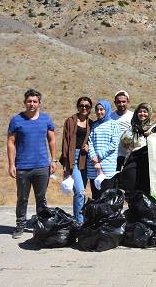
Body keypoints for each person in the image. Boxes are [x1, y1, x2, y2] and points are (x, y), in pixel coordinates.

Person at [7, 89, 57, 239]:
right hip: (22, 166)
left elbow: (52, 140)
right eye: (29, 101)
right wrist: (11, 164)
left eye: (35, 101)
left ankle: (42, 226)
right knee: (22, 198)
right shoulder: (16, 120)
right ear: (24, 102)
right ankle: (20, 225)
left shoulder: (46, 119)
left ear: (39, 103)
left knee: (41, 199)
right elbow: (10, 142)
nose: (32, 104)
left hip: (42, 166)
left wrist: (53, 160)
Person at [59, 96, 93, 225]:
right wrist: (66, 165)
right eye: (82, 106)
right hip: (73, 158)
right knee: (79, 191)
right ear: (77, 107)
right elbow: (65, 143)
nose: (84, 108)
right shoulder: (70, 121)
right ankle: (79, 222)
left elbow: (93, 139)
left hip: (85, 159)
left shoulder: (91, 123)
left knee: (82, 192)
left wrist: (89, 146)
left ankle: (78, 218)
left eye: (87, 106)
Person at [87, 100, 121, 199]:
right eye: (97, 110)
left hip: (107, 165)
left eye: (102, 109)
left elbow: (114, 144)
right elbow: (90, 142)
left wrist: (99, 157)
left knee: (106, 197)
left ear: (107, 110)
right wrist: (94, 158)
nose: (99, 112)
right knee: (96, 197)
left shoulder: (113, 125)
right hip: (93, 166)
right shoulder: (94, 125)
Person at [120, 103, 154, 194]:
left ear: (149, 113)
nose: (142, 114)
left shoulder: (153, 128)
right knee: (131, 187)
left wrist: (150, 137)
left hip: (147, 161)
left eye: (145, 112)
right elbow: (123, 142)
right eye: (140, 111)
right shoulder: (132, 128)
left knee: (145, 188)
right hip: (132, 160)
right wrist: (134, 131)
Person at [110, 90, 133, 171]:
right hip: (114, 154)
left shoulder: (133, 116)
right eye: (119, 102)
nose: (121, 104)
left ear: (128, 102)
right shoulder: (110, 116)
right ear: (115, 103)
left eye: (124, 101)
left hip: (129, 153)